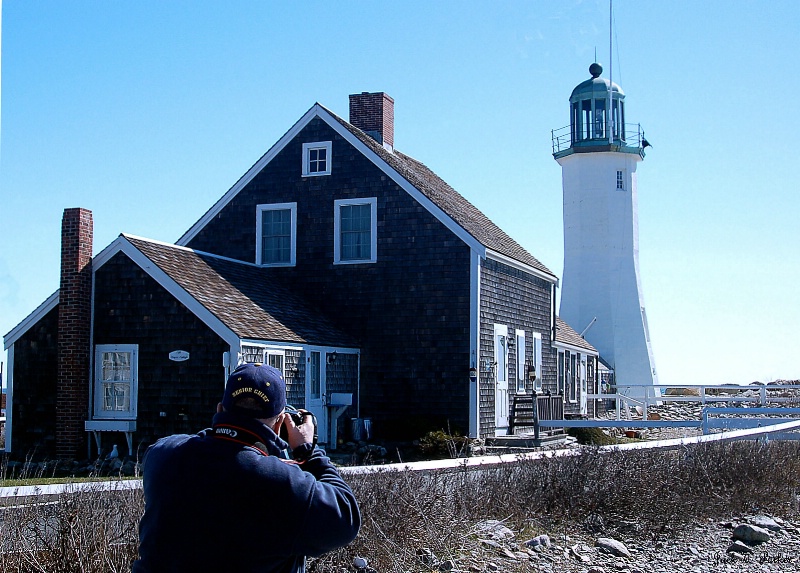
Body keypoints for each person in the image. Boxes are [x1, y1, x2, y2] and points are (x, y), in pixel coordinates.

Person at [132, 362, 361, 573]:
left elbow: (205, 446)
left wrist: (223, 430)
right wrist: (308, 452)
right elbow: (346, 516)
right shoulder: (282, 484)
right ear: (280, 422)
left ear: (220, 409)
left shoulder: (162, 456)